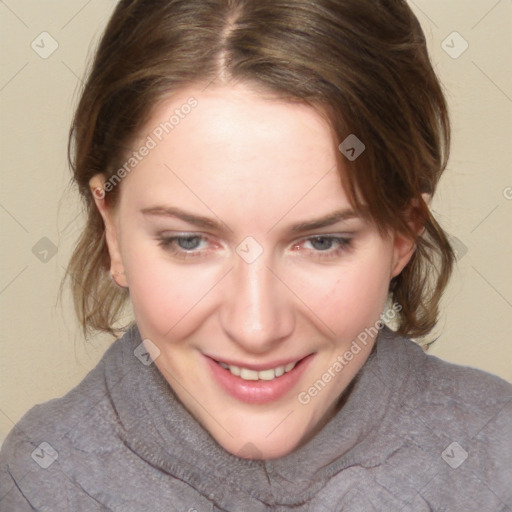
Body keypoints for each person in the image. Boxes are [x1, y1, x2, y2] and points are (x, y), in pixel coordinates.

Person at [1, 0, 511, 510]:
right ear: (112, 230)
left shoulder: (497, 452)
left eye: (321, 242)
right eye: (189, 241)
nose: (256, 328)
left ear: (403, 234)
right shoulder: (40, 482)